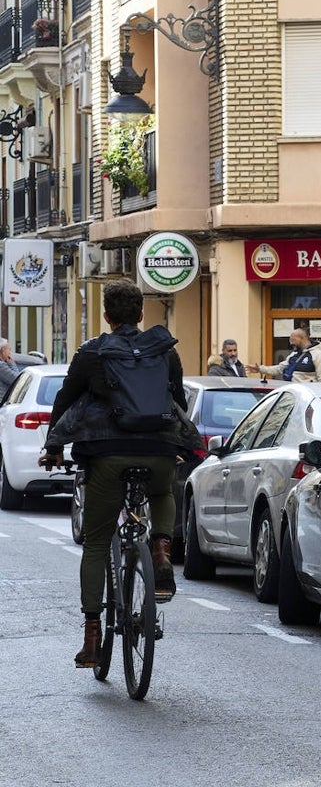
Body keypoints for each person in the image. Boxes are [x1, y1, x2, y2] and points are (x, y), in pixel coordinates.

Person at [38, 279, 198, 669]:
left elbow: (66, 398)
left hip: (106, 455)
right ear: (141, 314)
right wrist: (175, 446)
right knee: (162, 493)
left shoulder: (92, 353)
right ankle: (161, 550)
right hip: (158, 449)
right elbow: (176, 400)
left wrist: (54, 446)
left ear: (106, 316)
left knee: (95, 545)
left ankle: (93, 639)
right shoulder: (165, 351)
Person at [254, 328, 321, 382]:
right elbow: (280, 369)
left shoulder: (318, 355)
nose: (291, 343)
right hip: (293, 395)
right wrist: (260, 369)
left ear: (302, 338)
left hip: (308, 398)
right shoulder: (294, 354)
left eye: (293, 340)